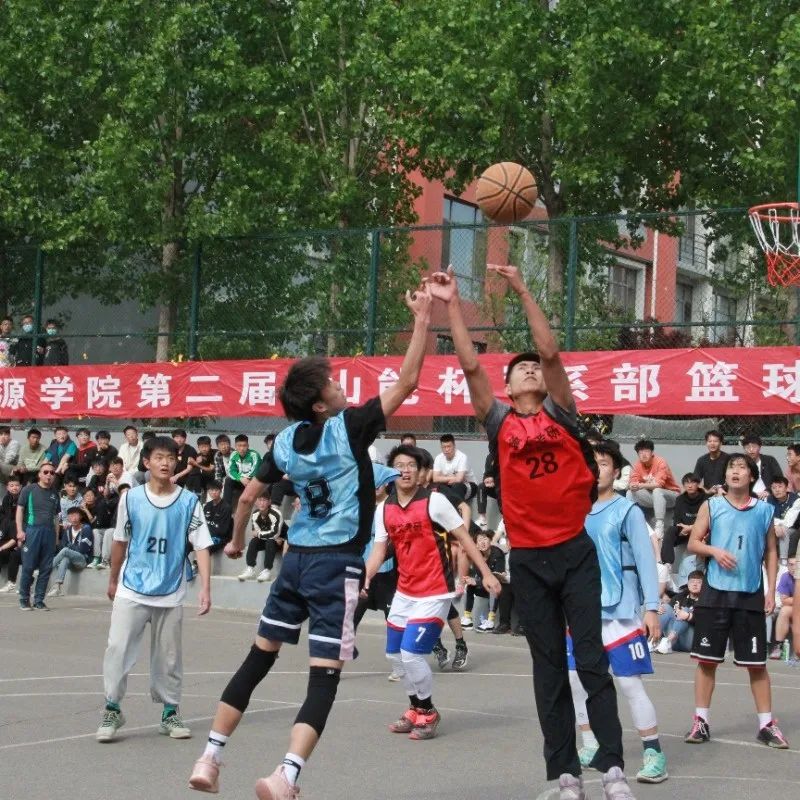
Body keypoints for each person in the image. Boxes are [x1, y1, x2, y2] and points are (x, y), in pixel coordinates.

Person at [188, 283, 433, 798]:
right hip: (335, 565)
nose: (341, 386)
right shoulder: (348, 428)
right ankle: (286, 775)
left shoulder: (284, 443)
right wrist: (421, 318)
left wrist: (235, 543)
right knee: (323, 677)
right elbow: (409, 380)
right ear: (321, 404)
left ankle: (210, 757)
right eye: (332, 384)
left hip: (295, 561)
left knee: (259, 657)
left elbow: (246, 497)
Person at [427, 264, 633, 800]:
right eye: (519, 369)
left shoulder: (562, 412)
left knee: (592, 661)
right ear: (508, 386)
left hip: (575, 553)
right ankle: (564, 775)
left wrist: (520, 287)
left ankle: (613, 770)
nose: (529, 370)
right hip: (530, 561)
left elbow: (550, 351)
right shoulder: (499, 423)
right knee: (548, 671)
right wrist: (452, 304)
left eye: (533, 368)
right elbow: (470, 365)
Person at [364, 444, 501, 740]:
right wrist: (365, 577)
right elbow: (379, 551)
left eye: (411, 466)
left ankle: (428, 711)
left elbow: (464, 538)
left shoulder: (434, 502)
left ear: (421, 472)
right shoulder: (384, 509)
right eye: (399, 465)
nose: (405, 471)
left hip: (435, 591)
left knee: (411, 654)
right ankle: (415, 708)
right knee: (394, 655)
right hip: (404, 591)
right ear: (391, 472)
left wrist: (487, 573)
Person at [96, 436, 212, 743]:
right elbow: (120, 541)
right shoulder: (131, 499)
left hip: (170, 589)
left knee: (168, 657)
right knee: (117, 649)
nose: (166, 463)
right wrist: (113, 578)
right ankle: (112, 708)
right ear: (146, 462)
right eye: (159, 457)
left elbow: (201, 545)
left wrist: (205, 588)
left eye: (171, 458)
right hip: (132, 587)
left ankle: (170, 712)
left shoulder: (189, 501)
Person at [567, 442, 665, 784]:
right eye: (591, 463)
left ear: (616, 471)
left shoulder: (627, 511)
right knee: (576, 679)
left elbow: (645, 560)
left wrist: (651, 607)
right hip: (581, 610)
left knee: (628, 683)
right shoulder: (574, 510)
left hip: (619, 611)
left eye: (603, 463)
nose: (596, 469)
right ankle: (590, 743)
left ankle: (653, 752)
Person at [685, 453, 788, 748]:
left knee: (757, 664)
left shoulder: (764, 510)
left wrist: (770, 591)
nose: (735, 471)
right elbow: (693, 542)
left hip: (750, 593)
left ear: (752, 476)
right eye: (732, 467)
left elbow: (771, 552)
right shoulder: (712, 505)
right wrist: (715, 551)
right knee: (707, 662)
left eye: (742, 467)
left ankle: (766, 725)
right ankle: (701, 722)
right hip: (715, 593)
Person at [15, 462, 61, 610]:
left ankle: (39, 600)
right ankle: (24, 599)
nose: (49, 475)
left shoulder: (55, 493)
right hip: (32, 530)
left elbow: (56, 517)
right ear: (39, 474)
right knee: (28, 566)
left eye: (52, 473)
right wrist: (20, 531)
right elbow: (20, 510)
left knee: (46, 568)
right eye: (46, 472)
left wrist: (56, 538)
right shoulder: (29, 490)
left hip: (49, 533)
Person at [626, 440, 679, 538]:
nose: (643, 455)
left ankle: (659, 525)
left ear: (652, 452)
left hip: (672, 496)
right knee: (630, 492)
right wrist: (632, 485)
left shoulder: (660, 462)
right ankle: (630, 522)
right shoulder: (637, 465)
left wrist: (640, 485)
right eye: (640, 452)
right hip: (654, 498)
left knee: (657, 490)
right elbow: (632, 481)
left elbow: (658, 484)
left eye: (646, 451)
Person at [460, 530, 507, 632]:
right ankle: (467, 618)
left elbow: (497, 578)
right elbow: (479, 576)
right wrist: (471, 580)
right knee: (469, 585)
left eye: (485, 539)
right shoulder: (477, 556)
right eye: (480, 540)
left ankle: (490, 621)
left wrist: (477, 582)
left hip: (499, 588)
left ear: (490, 540)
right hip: (483, 587)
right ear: (476, 545)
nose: (483, 542)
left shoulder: (497, 553)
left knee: (492, 586)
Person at [660, 473, 705, 570]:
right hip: (684, 531)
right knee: (670, 531)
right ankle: (667, 564)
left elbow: (708, 520)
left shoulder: (706, 498)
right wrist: (684, 529)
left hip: (700, 531)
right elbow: (676, 520)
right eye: (686, 483)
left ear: (698, 484)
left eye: (692, 482)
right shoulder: (680, 499)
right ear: (683, 485)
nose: (689, 485)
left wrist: (691, 528)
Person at [238, 491, 284, 582]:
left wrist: (260, 534)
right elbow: (255, 533)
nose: (262, 503)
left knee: (270, 540)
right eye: (259, 500)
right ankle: (250, 569)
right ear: (256, 502)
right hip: (269, 540)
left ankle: (267, 570)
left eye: (264, 500)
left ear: (269, 502)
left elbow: (274, 534)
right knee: (254, 541)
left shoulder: (276, 513)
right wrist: (261, 534)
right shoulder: (255, 514)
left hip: (281, 541)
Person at [47, 507, 94, 597]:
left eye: (76, 515)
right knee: (65, 558)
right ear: (68, 518)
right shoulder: (68, 530)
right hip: (71, 561)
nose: (74, 518)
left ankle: (46, 569)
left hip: (82, 560)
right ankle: (57, 587)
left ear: (81, 516)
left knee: (65, 551)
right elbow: (63, 546)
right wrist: (71, 547)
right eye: (71, 516)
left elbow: (83, 549)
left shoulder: (86, 529)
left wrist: (70, 546)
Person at [654, 570, 704, 654]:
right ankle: (653, 640)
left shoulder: (706, 601)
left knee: (685, 610)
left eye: (699, 582)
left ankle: (668, 641)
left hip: (690, 642)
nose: (695, 584)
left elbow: (706, 622)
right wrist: (659, 609)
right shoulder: (679, 597)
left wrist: (688, 616)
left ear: (704, 585)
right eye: (692, 581)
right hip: (674, 642)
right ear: (688, 584)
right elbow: (666, 612)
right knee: (665, 607)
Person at [432, 433, 477, 502]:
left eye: (449, 446)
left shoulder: (462, 457)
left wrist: (443, 478)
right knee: (437, 487)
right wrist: (453, 478)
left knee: (457, 486)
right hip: (450, 485)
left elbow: (459, 479)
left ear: (454, 446)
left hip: (469, 485)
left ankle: (460, 508)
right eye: (444, 447)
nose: (446, 449)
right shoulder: (438, 458)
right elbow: (435, 478)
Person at [224, 434, 261, 511]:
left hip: (252, 481)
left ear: (248, 446)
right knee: (228, 480)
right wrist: (240, 478)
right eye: (239, 446)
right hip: (241, 481)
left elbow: (254, 471)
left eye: (244, 445)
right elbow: (231, 471)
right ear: (235, 446)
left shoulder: (254, 455)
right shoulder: (234, 454)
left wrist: (244, 478)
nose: (242, 448)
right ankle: (226, 509)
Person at [741, 433, 782, 499]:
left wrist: (768, 491)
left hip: (768, 496)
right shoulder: (741, 462)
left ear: (759, 447)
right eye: (748, 447)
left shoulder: (769, 460)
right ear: (744, 448)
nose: (751, 449)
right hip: (746, 496)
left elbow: (779, 478)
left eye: (754, 446)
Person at [0, 476, 22, 592]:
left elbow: (14, 539)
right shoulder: (6, 499)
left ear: (21, 487)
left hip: (19, 534)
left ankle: (12, 582)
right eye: (11, 485)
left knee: (13, 554)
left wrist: (2, 547)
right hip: (8, 533)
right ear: (7, 487)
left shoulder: (23, 498)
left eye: (17, 485)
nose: (14, 488)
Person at [770, 559, 794, 660]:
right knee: (784, 610)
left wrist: (792, 599)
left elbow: (788, 600)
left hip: (795, 606)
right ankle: (778, 646)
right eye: (791, 564)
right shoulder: (786, 576)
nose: (793, 568)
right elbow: (784, 600)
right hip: (794, 607)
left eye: (796, 564)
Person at [693, 430, 729, 496]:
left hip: (725, 493)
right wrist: (707, 491)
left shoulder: (728, 459)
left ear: (721, 443)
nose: (712, 443)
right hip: (707, 495)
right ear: (706, 443)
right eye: (710, 441)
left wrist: (721, 489)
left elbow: (731, 479)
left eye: (715, 441)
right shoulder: (701, 460)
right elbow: (695, 481)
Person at [0, 425, 20, 501]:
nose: (3, 437)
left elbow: (8, 460)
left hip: (15, 469)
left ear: (9, 435)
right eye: (1, 434)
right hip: (3, 470)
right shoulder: (1, 445)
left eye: (5, 434)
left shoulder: (14, 443)